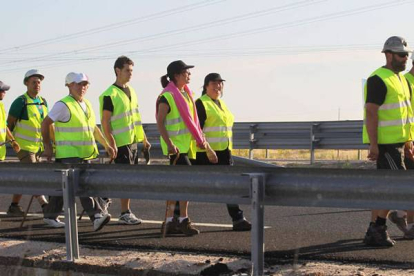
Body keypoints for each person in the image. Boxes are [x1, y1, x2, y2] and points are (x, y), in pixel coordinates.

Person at [41, 72, 115, 230]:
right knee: (83, 185)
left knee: (65, 186)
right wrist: (48, 146)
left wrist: (106, 145)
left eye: (85, 84)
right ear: (69, 85)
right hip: (69, 154)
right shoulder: (63, 104)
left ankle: (50, 215)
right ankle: (96, 216)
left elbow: (93, 128)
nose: (82, 87)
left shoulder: (87, 104)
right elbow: (45, 123)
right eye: (78, 84)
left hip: (84, 154)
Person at [156, 60, 218, 236]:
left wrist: (206, 146)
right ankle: (179, 220)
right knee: (184, 183)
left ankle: (173, 222)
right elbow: (160, 122)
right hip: (176, 149)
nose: (189, 75)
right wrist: (169, 144)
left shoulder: (186, 94)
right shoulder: (167, 96)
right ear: (177, 75)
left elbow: (194, 124)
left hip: (187, 146)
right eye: (186, 72)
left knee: (179, 185)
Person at [362, 36, 414, 247]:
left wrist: (409, 141)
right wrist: (374, 145)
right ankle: (377, 229)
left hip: (399, 143)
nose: (405, 59)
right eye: (402, 55)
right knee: (398, 185)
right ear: (388, 54)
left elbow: (406, 113)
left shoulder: (400, 79)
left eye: (407, 55)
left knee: (394, 185)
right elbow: (371, 113)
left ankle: (376, 229)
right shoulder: (378, 78)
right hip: (386, 145)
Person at [193, 73, 251, 231]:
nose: (218, 86)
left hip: (224, 152)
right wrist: (208, 150)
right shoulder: (201, 103)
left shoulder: (221, 104)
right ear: (206, 86)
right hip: (206, 153)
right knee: (192, 186)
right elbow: (197, 130)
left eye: (220, 83)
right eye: (214, 83)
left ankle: (238, 219)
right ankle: (176, 217)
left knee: (229, 186)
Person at [99, 56, 151, 225]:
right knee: (125, 178)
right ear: (117, 71)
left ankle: (104, 196)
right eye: (127, 70)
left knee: (128, 177)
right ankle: (124, 212)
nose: (130, 74)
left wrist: (144, 138)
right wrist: (111, 142)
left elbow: (136, 117)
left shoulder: (132, 91)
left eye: (131, 71)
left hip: (132, 141)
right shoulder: (110, 94)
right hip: (120, 142)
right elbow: (105, 121)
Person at [6, 70, 48, 216]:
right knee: (33, 175)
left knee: (26, 176)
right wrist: (12, 142)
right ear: (26, 83)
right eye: (33, 82)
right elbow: (9, 124)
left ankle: (14, 206)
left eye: (39, 82)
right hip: (23, 147)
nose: (37, 85)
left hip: (37, 147)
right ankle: (45, 206)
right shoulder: (20, 102)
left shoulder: (42, 101)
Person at [387, 53, 414, 239]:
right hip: (408, 142)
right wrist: (407, 142)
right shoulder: (405, 82)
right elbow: (404, 117)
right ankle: (411, 224)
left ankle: (400, 214)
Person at [0, 81, 20, 161]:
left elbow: (5, 127)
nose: (5, 92)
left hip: (1, 153)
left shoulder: (1, 106)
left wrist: (13, 141)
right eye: (2, 90)